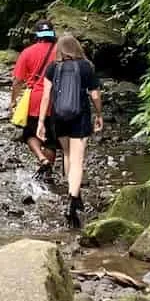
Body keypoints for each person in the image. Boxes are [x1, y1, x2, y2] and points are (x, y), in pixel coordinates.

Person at [36, 33, 103, 228]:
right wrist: (98, 114)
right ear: (77, 48)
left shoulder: (52, 68)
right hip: (80, 117)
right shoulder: (86, 67)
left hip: (59, 117)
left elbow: (46, 97)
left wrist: (41, 122)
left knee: (67, 154)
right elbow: (95, 94)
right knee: (78, 159)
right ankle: (73, 200)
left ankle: (72, 192)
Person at [10, 19, 58, 179]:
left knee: (30, 133)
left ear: (37, 35)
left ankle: (42, 159)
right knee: (51, 139)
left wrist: (13, 100)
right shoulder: (61, 51)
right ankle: (48, 170)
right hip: (58, 98)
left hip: (36, 98)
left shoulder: (28, 52)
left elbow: (17, 81)